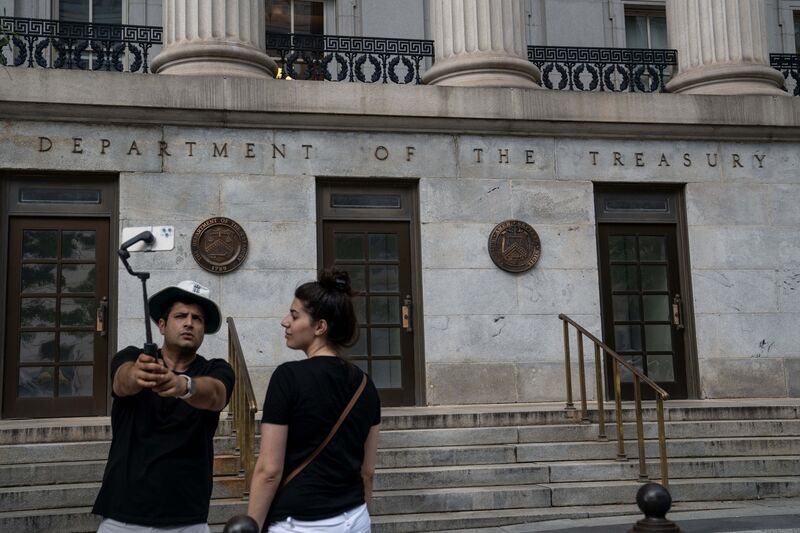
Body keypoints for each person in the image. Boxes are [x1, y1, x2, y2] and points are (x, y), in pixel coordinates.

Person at [93, 280, 235, 533]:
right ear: (161, 325)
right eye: (180, 316)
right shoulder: (133, 356)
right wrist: (137, 374)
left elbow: (216, 394)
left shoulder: (216, 368)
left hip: (188, 518)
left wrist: (184, 386)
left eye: (197, 319)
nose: (189, 323)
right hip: (123, 517)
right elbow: (121, 381)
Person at [248, 270, 381, 533]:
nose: (285, 322)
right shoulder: (366, 384)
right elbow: (368, 471)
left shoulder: (288, 377)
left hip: (299, 523)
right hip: (355, 519)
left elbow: (269, 470)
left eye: (295, 316)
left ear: (320, 327)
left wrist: (251, 526)